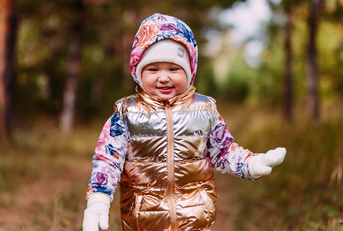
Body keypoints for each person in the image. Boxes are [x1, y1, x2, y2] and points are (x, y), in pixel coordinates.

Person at [82, 13, 286, 231]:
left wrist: (251, 164)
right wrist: (98, 200)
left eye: (173, 68)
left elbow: (224, 151)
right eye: (152, 69)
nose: (163, 77)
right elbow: (108, 159)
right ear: (139, 72)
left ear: (189, 71)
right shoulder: (126, 113)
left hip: (195, 217)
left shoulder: (205, 110)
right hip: (142, 220)